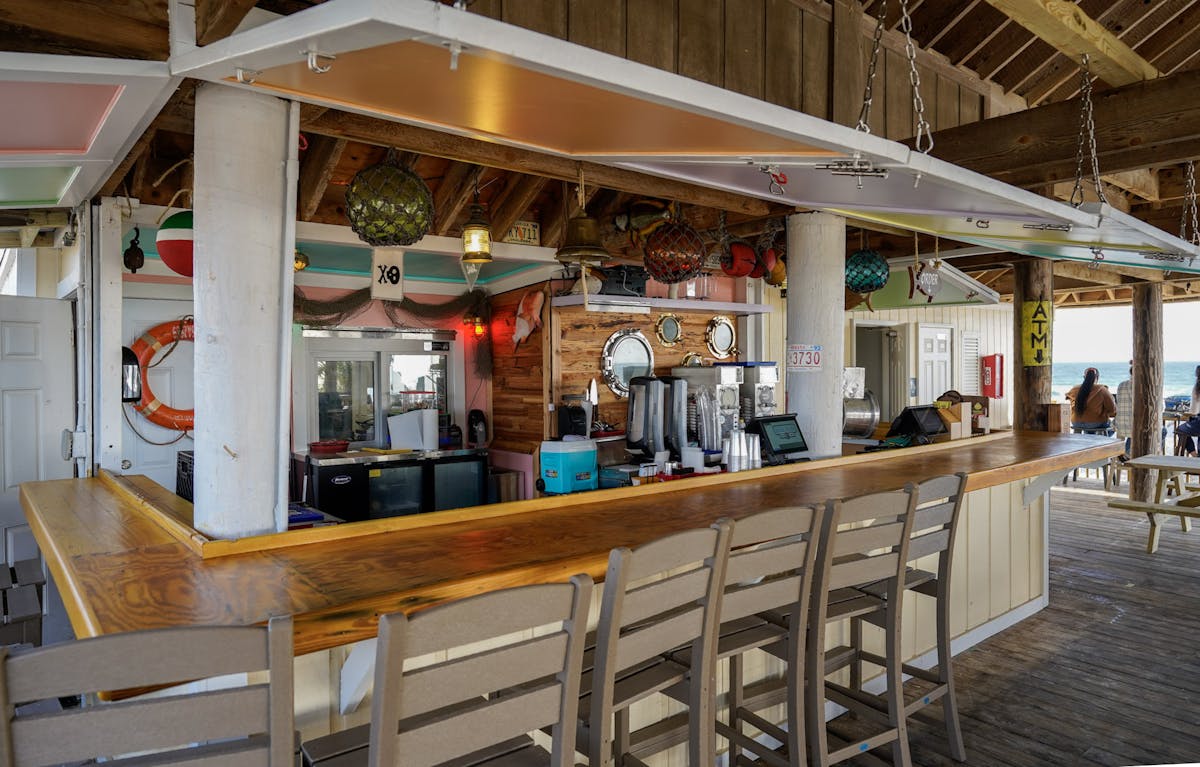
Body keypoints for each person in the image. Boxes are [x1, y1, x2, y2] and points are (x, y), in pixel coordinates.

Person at [1065, 367, 1116, 433]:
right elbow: (1112, 409)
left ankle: (1088, 437)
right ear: (1097, 377)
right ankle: (1097, 438)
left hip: (1076, 422)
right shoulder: (1102, 390)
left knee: (1090, 425)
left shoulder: (1074, 389)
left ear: (1084, 377)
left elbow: (1069, 400)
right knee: (1113, 426)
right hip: (1095, 423)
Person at [1175, 364, 1200, 456]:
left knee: (1180, 430)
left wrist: (1186, 412)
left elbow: (1193, 411)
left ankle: (1194, 455)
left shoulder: (1197, 388)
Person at [1115, 362, 1133, 457]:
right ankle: (1128, 453)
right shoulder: (1145, 386)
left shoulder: (1121, 385)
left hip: (1120, 425)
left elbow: (1118, 402)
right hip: (1136, 427)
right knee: (1163, 431)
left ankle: (1121, 453)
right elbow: (1161, 408)